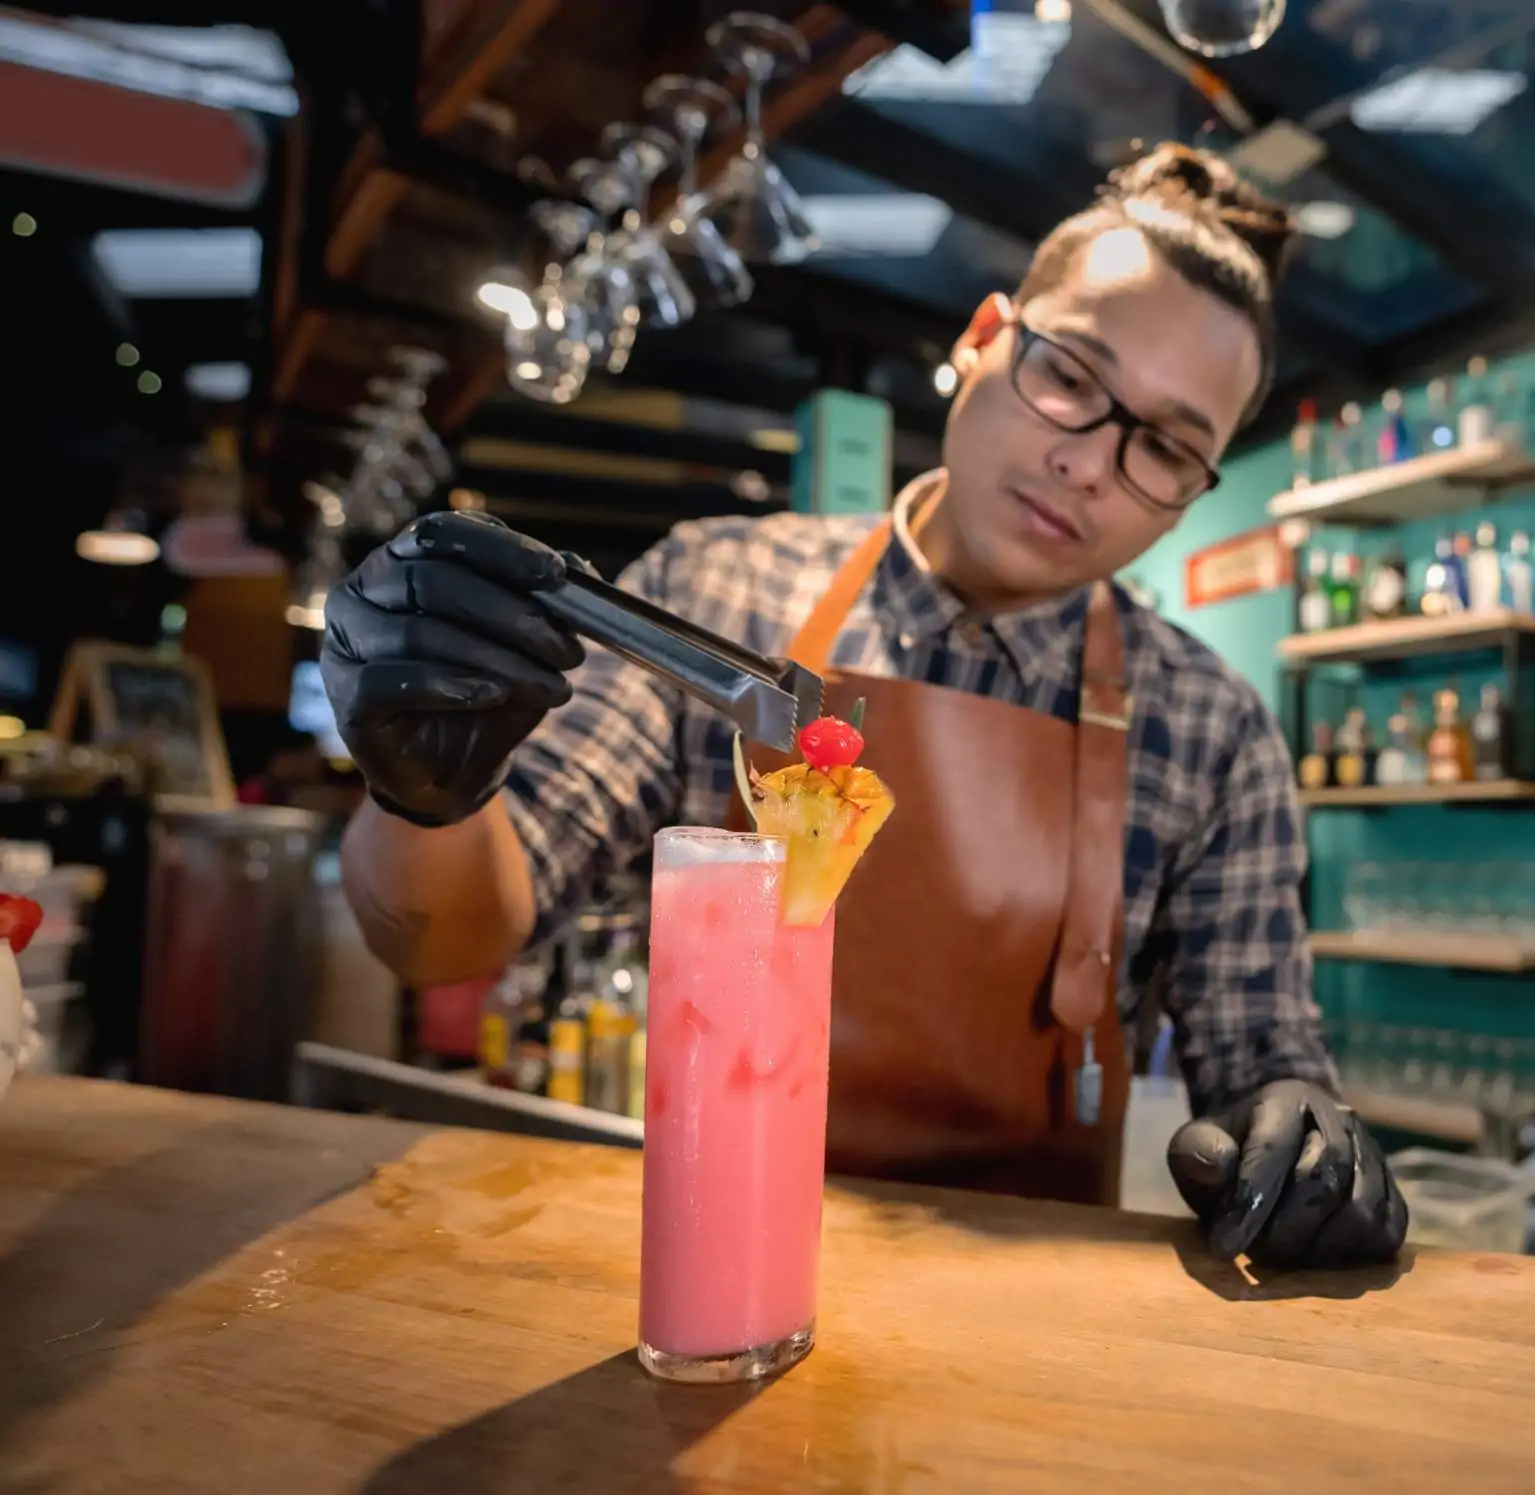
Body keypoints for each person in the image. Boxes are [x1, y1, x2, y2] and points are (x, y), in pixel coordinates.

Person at [326, 142, 1406, 1271]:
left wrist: (1305, 1148)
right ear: (982, 337)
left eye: (1169, 447)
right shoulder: (715, 593)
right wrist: (425, 797)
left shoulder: (1211, 729)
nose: (1090, 462)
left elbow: (1261, 1058)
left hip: (1031, 1318)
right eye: (1073, 377)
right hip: (704, 1267)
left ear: (1197, 488)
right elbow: (448, 942)